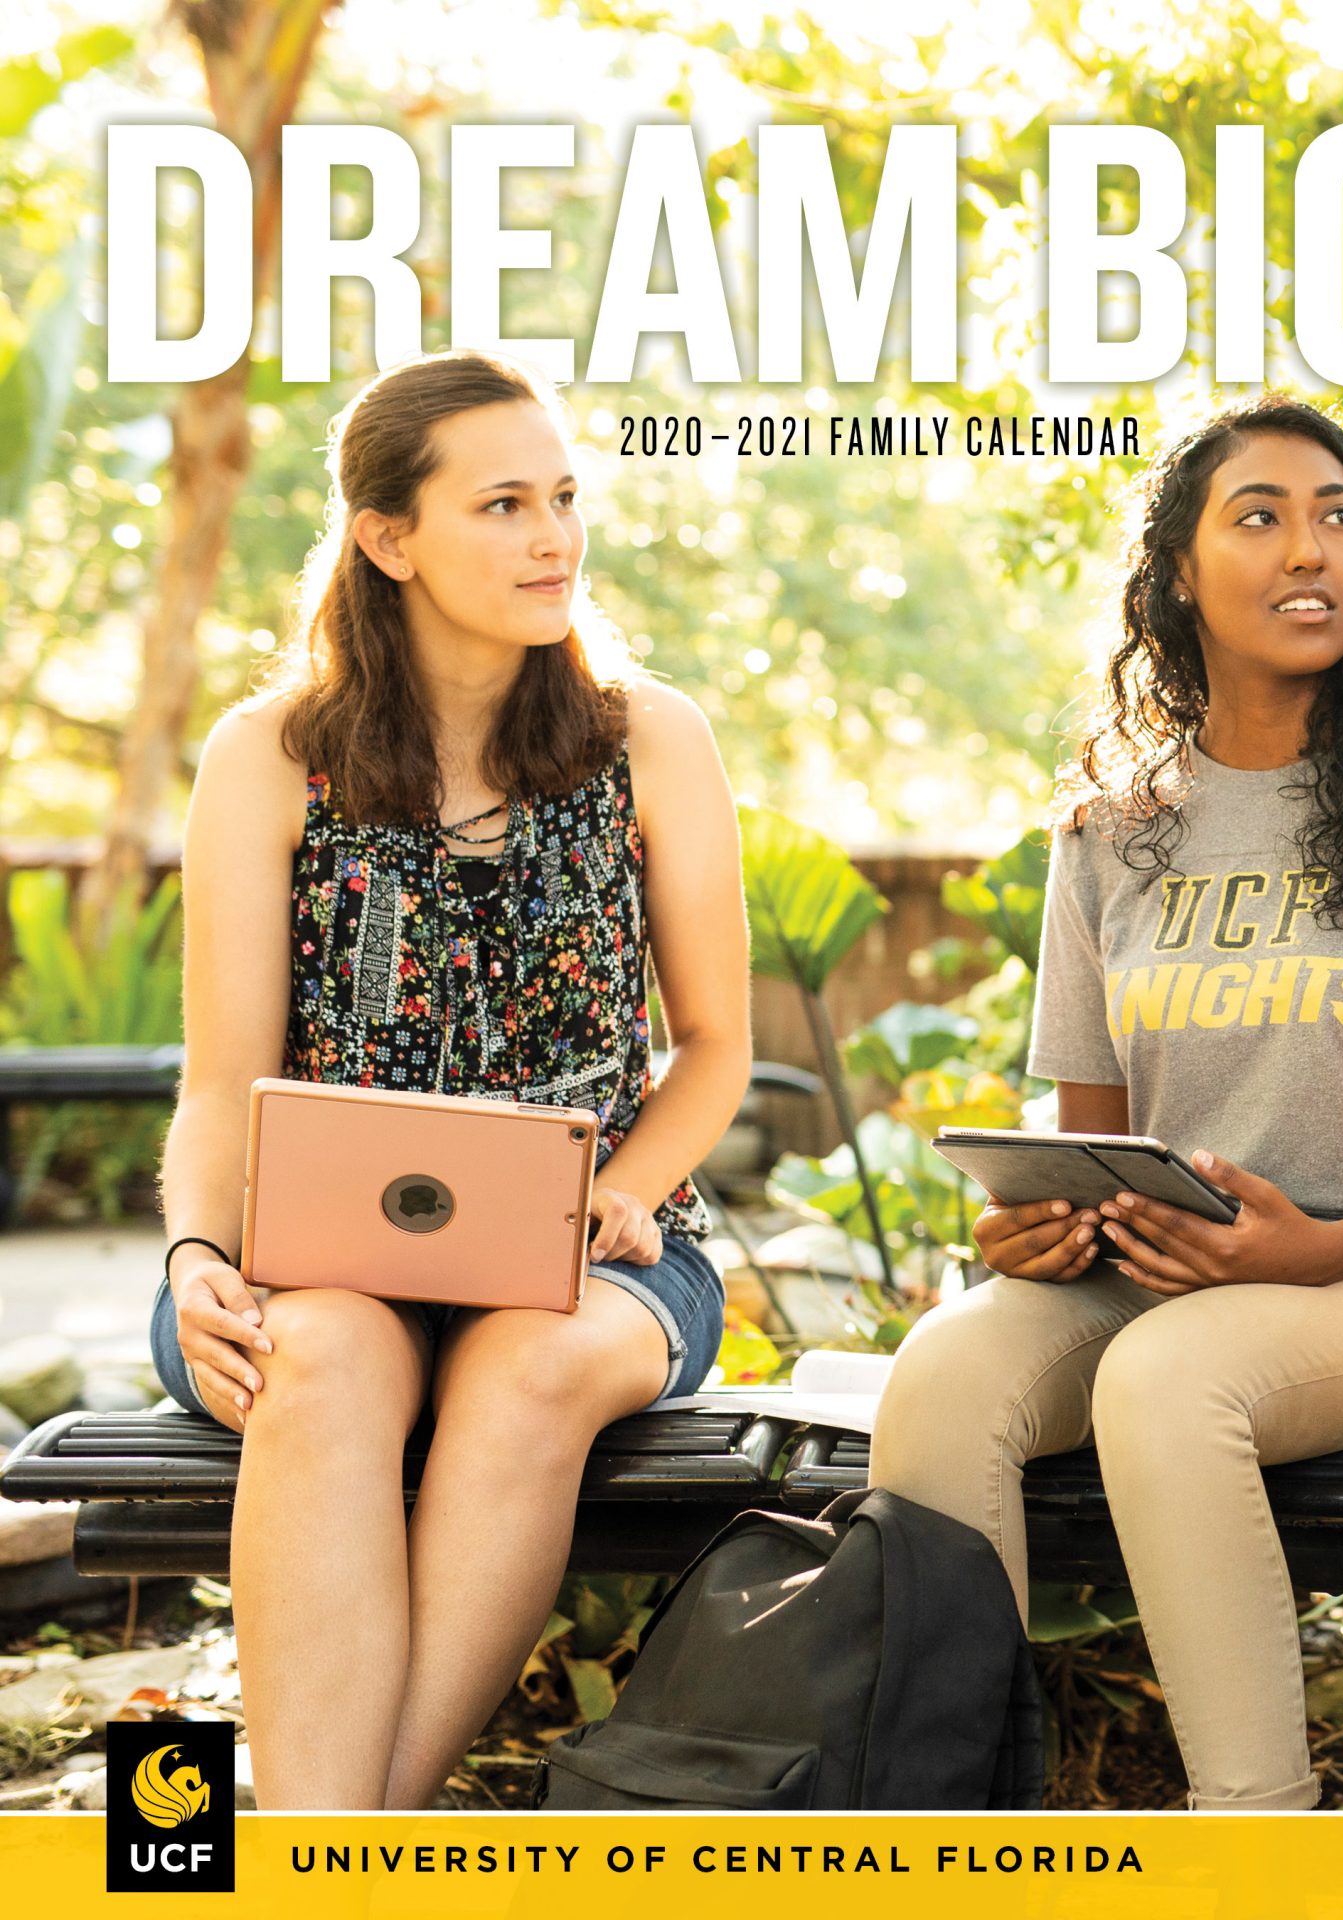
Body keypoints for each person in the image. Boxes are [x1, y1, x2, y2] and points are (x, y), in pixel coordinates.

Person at [868, 394, 1343, 1810]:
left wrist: (1303, 1250)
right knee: (943, 1369)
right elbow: (1089, 1136)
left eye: (1338, 517)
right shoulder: (1116, 821)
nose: (1310, 551)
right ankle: (964, 1821)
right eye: (1262, 517)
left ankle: (1257, 1850)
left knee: (1172, 1381)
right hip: (1170, 1268)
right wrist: (1041, 1232)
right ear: (1178, 570)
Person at [151, 349, 751, 1809]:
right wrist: (193, 1257)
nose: (555, 537)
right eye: (502, 505)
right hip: (321, 1259)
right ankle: (344, 1861)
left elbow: (715, 1053)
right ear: (388, 538)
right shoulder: (269, 759)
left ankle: (331, 1862)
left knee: (526, 1365)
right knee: (324, 1358)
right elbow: (221, 1085)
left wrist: (617, 1191)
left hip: (606, 1250)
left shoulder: (646, 740)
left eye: (562, 497)